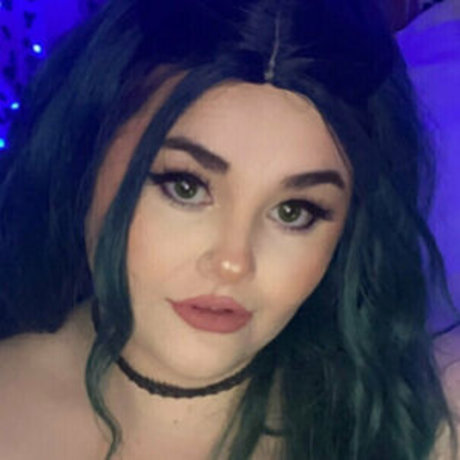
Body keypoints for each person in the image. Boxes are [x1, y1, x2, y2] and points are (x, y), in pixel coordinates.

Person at [0, 0, 458, 459]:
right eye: (185, 187)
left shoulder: (422, 428)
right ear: (87, 157)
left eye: (293, 212)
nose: (233, 262)